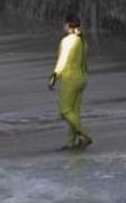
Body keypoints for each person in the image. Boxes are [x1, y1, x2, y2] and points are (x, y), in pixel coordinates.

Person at [48, 14, 92, 149]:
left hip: (70, 78)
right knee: (75, 112)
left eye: (64, 24)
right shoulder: (83, 41)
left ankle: (84, 134)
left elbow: (62, 60)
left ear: (68, 25)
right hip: (82, 78)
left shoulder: (68, 41)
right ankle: (71, 142)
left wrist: (54, 76)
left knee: (64, 111)